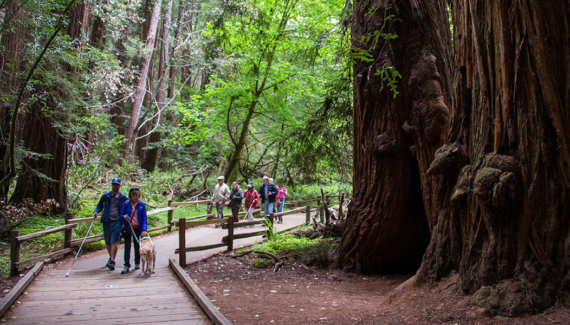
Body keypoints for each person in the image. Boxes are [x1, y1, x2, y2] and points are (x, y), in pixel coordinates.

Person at [93, 178, 128, 271]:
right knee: (108, 242)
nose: (115, 186)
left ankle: (112, 260)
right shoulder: (105, 196)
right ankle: (110, 258)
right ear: (112, 185)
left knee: (114, 241)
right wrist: (96, 211)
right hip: (107, 222)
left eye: (117, 184)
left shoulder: (123, 197)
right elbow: (99, 206)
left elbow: (128, 206)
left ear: (119, 186)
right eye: (114, 184)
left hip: (117, 221)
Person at [120, 187, 148, 274]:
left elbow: (144, 218)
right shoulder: (126, 204)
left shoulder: (141, 205)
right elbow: (121, 215)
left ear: (139, 195)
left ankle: (137, 262)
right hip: (128, 227)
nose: (135, 197)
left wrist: (144, 229)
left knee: (137, 246)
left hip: (137, 228)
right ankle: (126, 265)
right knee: (127, 246)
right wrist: (124, 217)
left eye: (137, 195)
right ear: (130, 196)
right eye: (133, 195)